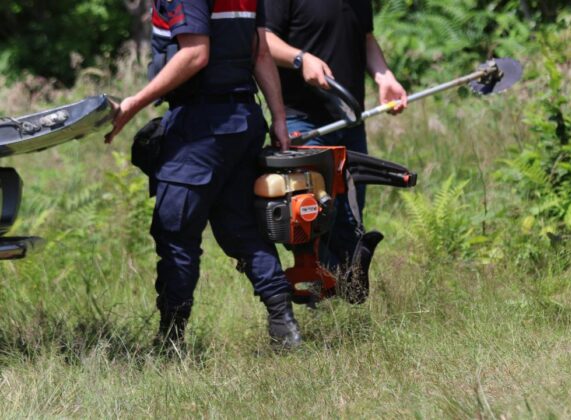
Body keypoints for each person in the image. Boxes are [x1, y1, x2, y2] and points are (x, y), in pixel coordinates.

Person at [105, 0, 301, 349]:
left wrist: (132, 104)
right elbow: (260, 52)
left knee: (175, 232)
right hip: (243, 120)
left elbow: (196, 54)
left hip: (200, 128)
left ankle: (170, 341)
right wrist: (279, 119)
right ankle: (284, 326)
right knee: (243, 229)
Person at [264, 0, 408, 274]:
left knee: (350, 217)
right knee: (313, 214)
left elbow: (365, 38)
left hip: (350, 120)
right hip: (304, 120)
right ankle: (320, 294)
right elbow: (263, 40)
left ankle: (342, 291)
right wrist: (300, 58)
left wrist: (384, 76)